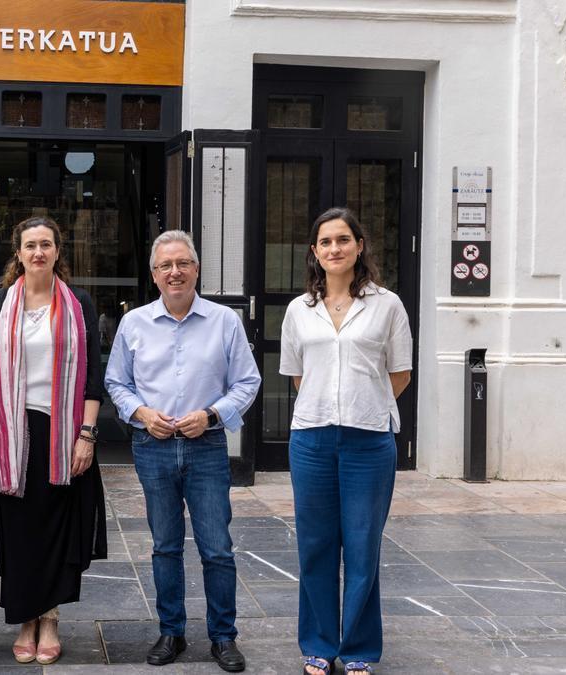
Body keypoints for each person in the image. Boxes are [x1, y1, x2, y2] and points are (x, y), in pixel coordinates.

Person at [105, 230, 261, 673]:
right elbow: (116, 381)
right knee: (165, 546)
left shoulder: (224, 321)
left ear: (196, 269)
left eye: (183, 263)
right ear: (154, 275)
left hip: (206, 446)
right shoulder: (133, 323)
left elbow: (248, 382)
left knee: (217, 547)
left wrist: (211, 414)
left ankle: (223, 637)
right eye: (165, 266)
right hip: (152, 446)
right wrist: (141, 412)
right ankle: (170, 631)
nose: (174, 272)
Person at [279, 207, 412, 675]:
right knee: (315, 546)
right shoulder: (300, 310)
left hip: (369, 441)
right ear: (314, 252)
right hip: (312, 439)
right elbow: (297, 376)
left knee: (362, 546)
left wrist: (362, 404)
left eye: (343, 240)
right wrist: (328, 408)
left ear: (359, 246)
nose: (334, 249)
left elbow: (400, 373)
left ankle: (357, 648)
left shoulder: (388, 305)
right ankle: (317, 644)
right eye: (325, 242)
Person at [0, 215, 107, 666]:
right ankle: (26, 617)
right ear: (18, 252)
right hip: (11, 432)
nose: (38, 253)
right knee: (19, 528)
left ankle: (48, 618)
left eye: (46, 244)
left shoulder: (78, 303)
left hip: (62, 430)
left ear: (57, 251)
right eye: (29, 245)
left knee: (55, 525)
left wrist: (87, 435)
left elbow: (92, 374)